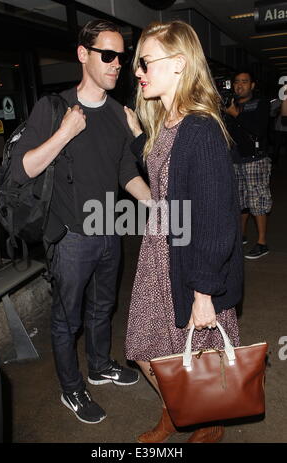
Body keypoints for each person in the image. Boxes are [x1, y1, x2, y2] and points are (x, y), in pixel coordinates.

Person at [11, 19, 151, 425]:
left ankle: (100, 365)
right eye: (107, 55)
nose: (116, 64)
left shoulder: (117, 114)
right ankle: (72, 389)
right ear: (82, 55)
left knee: (103, 306)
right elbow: (22, 170)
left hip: (110, 228)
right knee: (66, 318)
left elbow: (127, 173)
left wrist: (159, 204)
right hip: (71, 237)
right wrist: (64, 134)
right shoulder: (53, 108)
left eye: (120, 58)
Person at [124, 20, 243, 443]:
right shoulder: (167, 123)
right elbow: (164, 178)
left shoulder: (200, 128)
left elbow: (214, 221)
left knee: (194, 357)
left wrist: (204, 294)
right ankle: (179, 410)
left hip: (190, 263)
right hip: (159, 256)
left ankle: (207, 422)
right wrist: (140, 135)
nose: (138, 71)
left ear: (178, 64)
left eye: (145, 61)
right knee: (145, 350)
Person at [225, 71, 271, 259]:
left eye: (244, 82)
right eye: (236, 82)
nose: (239, 85)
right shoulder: (229, 106)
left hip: (255, 159)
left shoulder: (260, 104)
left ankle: (262, 242)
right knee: (239, 200)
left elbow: (258, 129)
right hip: (235, 158)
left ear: (252, 85)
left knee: (257, 200)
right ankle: (241, 235)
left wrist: (235, 114)